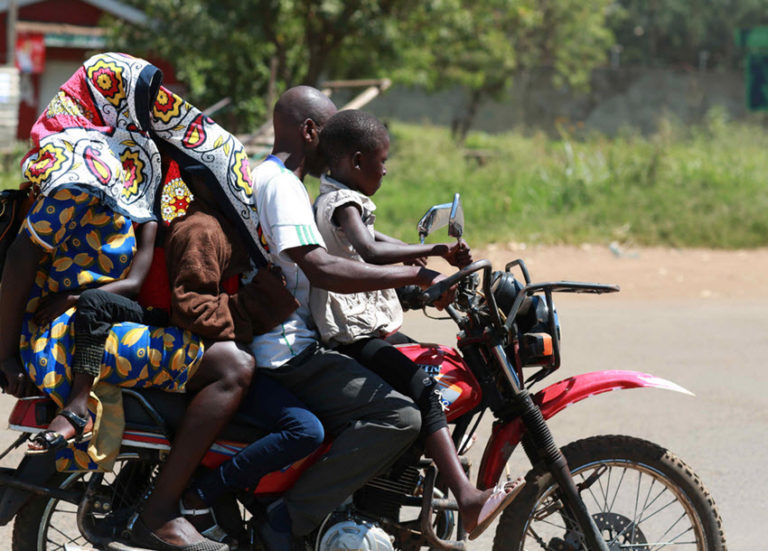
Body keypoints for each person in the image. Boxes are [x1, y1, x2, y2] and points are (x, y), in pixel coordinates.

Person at [0, 52, 267, 551]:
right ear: (111, 98)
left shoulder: (136, 168)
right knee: (232, 366)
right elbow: (20, 260)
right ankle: (160, 508)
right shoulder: (77, 164)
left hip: (97, 312)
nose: (152, 108)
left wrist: (85, 295)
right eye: (141, 96)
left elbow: (140, 271)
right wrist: (6, 353)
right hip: (60, 331)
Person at [248, 85, 455, 550]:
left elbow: (356, 257)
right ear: (309, 131)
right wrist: (418, 276)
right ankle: (290, 519)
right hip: (289, 349)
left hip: (288, 337)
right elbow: (326, 267)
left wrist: (414, 278)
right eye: (330, 131)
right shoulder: (284, 186)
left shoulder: (273, 178)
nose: (337, 141)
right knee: (400, 417)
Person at [311, 109, 525, 539]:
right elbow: (370, 250)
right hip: (353, 336)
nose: (386, 170)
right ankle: (466, 498)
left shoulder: (341, 199)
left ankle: (428, 480)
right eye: (381, 160)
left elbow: (384, 241)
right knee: (427, 388)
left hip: (371, 328)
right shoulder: (341, 203)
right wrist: (421, 270)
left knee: (437, 366)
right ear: (356, 161)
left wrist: (438, 251)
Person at [164, 173, 325, 544]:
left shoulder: (232, 225)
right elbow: (193, 310)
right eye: (230, 178)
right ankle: (203, 494)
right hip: (213, 364)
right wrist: (259, 305)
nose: (242, 188)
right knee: (306, 430)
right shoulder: (202, 229)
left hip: (247, 354)